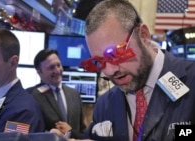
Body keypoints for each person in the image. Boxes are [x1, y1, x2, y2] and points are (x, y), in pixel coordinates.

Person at [80, 0, 195, 141]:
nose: (109, 71)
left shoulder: (191, 80)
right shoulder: (104, 105)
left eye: (116, 54)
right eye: (99, 61)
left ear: (143, 35)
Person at [26, 49, 86, 139]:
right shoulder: (32, 96)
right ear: (39, 72)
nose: (57, 70)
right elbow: (29, 132)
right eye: (51, 67)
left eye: (59, 65)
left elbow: (83, 133)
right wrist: (50, 134)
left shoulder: (74, 94)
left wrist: (71, 132)